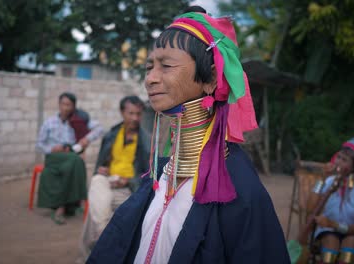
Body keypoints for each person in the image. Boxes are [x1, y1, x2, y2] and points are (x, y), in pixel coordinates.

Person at [88, 6, 289, 263]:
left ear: (211, 79)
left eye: (166, 66)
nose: (150, 78)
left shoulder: (241, 190)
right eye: (149, 67)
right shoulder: (161, 171)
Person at [80, 95, 150, 257]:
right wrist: (102, 169)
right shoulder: (111, 135)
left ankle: (91, 250)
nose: (134, 118)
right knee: (97, 180)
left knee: (95, 211)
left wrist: (128, 181)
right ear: (122, 112)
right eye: (130, 113)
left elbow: (148, 176)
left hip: (129, 189)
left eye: (138, 114)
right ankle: (103, 233)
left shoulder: (146, 141)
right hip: (108, 182)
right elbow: (100, 165)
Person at [36, 92, 104, 224]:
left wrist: (86, 139)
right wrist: (52, 148)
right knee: (76, 161)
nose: (66, 108)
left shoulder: (78, 121)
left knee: (73, 161)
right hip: (54, 157)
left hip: (71, 155)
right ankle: (76, 202)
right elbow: (39, 144)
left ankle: (61, 207)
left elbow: (100, 129)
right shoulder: (49, 122)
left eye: (69, 105)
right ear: (59, 105)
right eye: (63, 104)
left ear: (73, 107)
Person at [308, 136, 354, 264]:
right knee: (331, 241)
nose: (338, 162)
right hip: (328, 231)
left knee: (351, 242)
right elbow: (310, 208)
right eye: (338, 157)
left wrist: (334, 224)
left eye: (344, 160)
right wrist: (322, 178)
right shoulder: (329, 181)